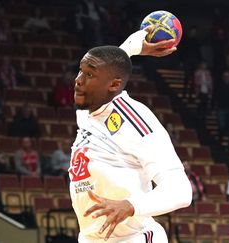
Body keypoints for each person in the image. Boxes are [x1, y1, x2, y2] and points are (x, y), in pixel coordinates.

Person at [69, 29, 191, 242]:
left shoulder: (136, 120)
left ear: (114, 85)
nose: (78, 80)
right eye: (80, 71)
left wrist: (132, 205)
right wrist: (134, 46)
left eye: (89, 75)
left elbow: (181, 191)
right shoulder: (87, 113)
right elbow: (110, 64)